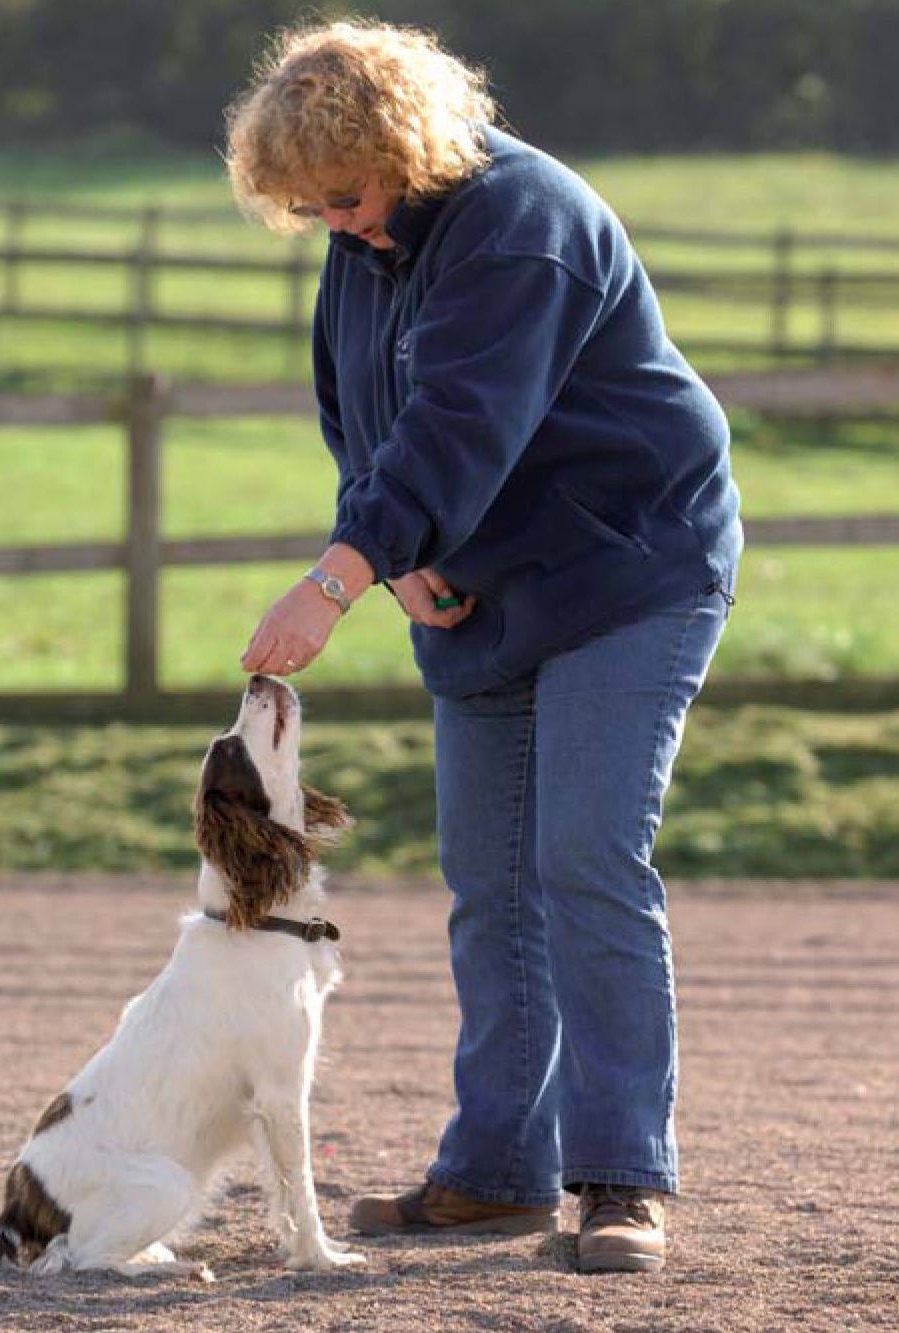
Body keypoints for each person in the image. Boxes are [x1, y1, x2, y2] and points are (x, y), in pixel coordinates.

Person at [225, 19, 741, 1274]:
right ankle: (499, 1170)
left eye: (346, 195)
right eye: (311, 206)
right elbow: (360, 420)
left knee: (584, 858)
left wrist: (337, 579)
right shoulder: (365, 237)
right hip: (476, 583)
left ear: (404, 148)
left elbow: (462, 421)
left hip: (626, 564)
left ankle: (621, 1179)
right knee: (490, 882)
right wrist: (399, 559)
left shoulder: (520, 224)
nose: (334, 223)